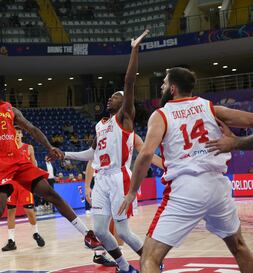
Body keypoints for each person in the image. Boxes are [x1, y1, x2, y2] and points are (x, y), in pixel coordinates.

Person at [0, 51, 102, 273]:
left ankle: (87, 235)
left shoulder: (10, 110)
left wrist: (49, 147)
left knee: (51, 194)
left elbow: (31, 129)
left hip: (19, 162)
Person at [118, 67, 253, 273]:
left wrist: (131, 192)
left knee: (150, 257)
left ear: (172, 89)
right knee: (239, 246)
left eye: (164, 83)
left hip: (186, 188)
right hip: (217, 186)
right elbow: (252, 120)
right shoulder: (210, 108)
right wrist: (236, 142)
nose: (161, 86)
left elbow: (145, 154)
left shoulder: (161, 114)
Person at [61, 30, 162, 273]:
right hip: (102, 179)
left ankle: (153, 263)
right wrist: (64, 154)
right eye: (110, 97)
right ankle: (124, 266)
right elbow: (90, 154)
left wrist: (134, 50)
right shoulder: (100, 125)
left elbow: (129, 83)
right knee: (99, 230)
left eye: (114, 97)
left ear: (123, 102)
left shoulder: (124, 118)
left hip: (119, 177)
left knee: (124, 231)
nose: (110, 99)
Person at [1, 127, 45, 251]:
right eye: (15, 133)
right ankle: (11, 241)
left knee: (29, 212)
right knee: (11, 212)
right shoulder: (8, 148)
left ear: (22, 135)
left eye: (19, 133)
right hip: (12, 184)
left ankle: (35, 233)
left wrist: (36, 179)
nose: (18, 135)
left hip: (25, 183)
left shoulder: (29, 148)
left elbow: (34, 164)